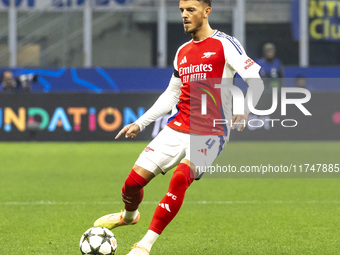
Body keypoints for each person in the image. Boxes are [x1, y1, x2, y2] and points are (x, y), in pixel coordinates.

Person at [94, 1, 264, 254]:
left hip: (211, 132)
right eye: (182, 10)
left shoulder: (225, 44)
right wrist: (141, 123)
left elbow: (257, 82)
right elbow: (171, 95)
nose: (184, 15)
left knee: (180, 177)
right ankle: (129, 217)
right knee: (131, 185)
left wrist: (244, 108)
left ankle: (144, 246)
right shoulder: (183, 51)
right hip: (177, 128)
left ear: (207, 11)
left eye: (191, 9)